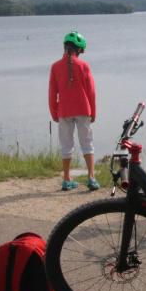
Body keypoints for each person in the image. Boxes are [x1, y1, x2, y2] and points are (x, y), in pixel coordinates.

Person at [48, 31, 99, 191]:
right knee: (87, 143)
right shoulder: (84, 66)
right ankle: (91, 177)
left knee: (66, 145)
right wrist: (93, 112)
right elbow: (91, 92)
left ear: (65, 47)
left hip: (64, 110)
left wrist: (54, 112)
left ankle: (66, 179)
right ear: (79, 50)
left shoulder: (55, 67)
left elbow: (52, 93)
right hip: (83, 109)